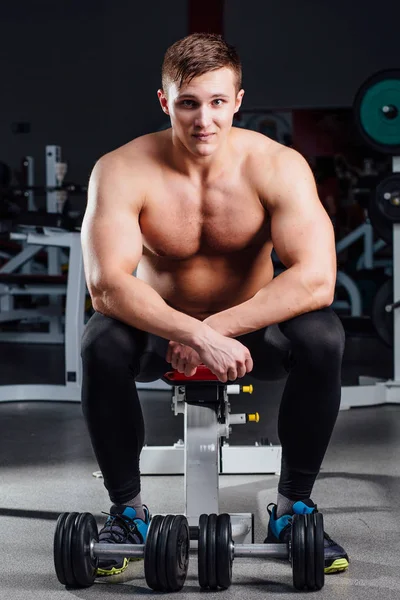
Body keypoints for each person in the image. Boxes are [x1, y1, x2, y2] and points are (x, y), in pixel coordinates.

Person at [80, 32, 349, 577]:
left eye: (218, 102)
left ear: (238, 101)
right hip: (161, 330)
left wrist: (214, 329)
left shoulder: (278, 166)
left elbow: (317, 280)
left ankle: (294, 506)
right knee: (100, 342)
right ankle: (126, 511)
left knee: (323, 336)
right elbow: (106, 285)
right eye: (188, 103)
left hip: (250, 333)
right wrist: (189, 331)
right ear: (165, 102)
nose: (205, 119)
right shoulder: (121, 169)